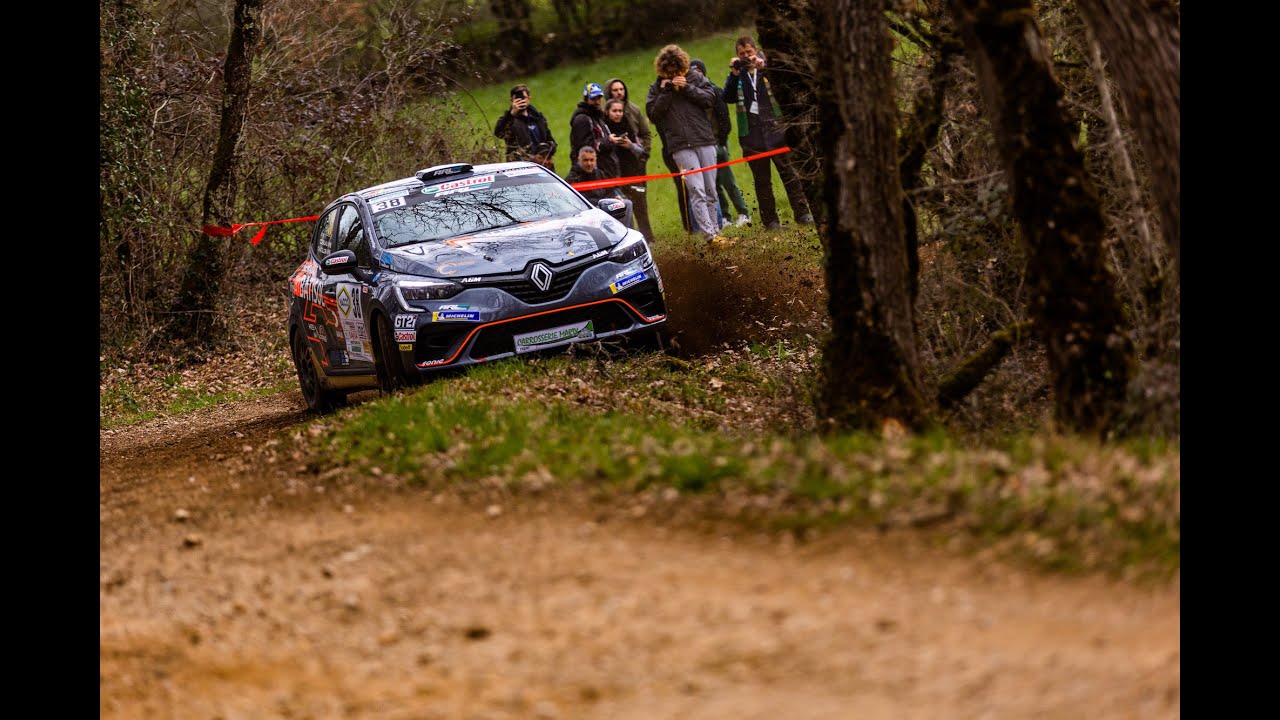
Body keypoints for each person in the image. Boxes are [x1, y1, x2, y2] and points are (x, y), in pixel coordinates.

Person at [722, 36, 814, 229]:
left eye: (749, 52)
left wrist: (764, 68)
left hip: (777, 132)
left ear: (756, 50)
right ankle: (770, 221)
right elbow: (727, 97)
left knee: (790, 175)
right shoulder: (738, 75)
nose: (746, 56)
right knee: (762, 182)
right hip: (752, 138)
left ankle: (803, 213)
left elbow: (785, 85)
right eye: (742, 54)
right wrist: (734, 74)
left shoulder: (767, 67)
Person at [646, 44, 725, 244]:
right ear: (662, 70)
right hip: (680, 145)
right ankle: (709, 236)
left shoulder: (695, 78)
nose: (674, 75)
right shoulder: (656, 88)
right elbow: (653, 115)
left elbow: (710, 99)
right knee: (696, 189)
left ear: (683, 67)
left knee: (711, 189)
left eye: (677, 71)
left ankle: (717, 232)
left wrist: (688, 87)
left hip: (704, 138)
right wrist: (667, 92)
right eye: (669, 72)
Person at [690, 58, 751, 229]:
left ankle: (743, 212)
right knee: (714, 183)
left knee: (727, 179)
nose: (696, 75)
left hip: (718, 142)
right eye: (693, 72)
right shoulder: (691, 95)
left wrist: (722, 142)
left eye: (698, 71)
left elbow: (724, 119)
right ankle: (725, 215)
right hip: (703, 144)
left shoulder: (714, 91)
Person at [604, 77, 655, 240]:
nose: (619, 92)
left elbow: (645, 135)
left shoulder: (633, 110)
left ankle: (648, 237)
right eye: (615, 90)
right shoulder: (603, 123)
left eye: (621, 89)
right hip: (615, 170)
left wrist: (636, 150)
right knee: (622, 206)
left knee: (640, 204)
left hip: (634, 165)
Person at [565, 146, 634, 229]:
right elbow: (579, 200)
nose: (589, 163)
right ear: (579, 160)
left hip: (604, 205)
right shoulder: (572, 178)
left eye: (591, 160)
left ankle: (628, 231)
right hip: (588, 211)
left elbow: (610, 190)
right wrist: (604, 201)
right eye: (585, 160)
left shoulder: (599, 173)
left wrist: (615, 197)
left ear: (595, 160)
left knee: (626, 203)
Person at [493, 84, 558, 171]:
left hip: (544, 166)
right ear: (511, 100)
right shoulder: (509, 119)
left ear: (529, 99)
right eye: (517, 99)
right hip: (521, 168)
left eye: (523, 98)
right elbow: (499, 133)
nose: (521, 101)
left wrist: (547, 152)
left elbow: (550, 140)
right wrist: (511, 114)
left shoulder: (538, 118)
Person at [569, 82, 620, 180]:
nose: (597, 102)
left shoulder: (599, 117)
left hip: (607, 170)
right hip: (592, 172)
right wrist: (607, 141)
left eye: (599, 98)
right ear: (586, 99)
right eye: (593, 99)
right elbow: (584, 148)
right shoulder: (582, 119)